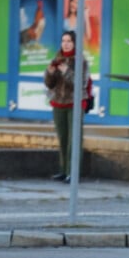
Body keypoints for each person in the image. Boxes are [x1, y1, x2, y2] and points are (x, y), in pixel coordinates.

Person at [43, 30, 91, 183]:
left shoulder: (80, 61)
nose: (66, 44)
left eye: (69, 41)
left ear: (75, 43)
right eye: (63, 40)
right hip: (58, 102)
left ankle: (73, 172)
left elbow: (81, 83)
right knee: (63, 137)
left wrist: (67, 72)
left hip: (75, 103)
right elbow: (49, 84)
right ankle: (64, 170)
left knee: (74, 138)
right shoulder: (57, 58)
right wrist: (49, 73)